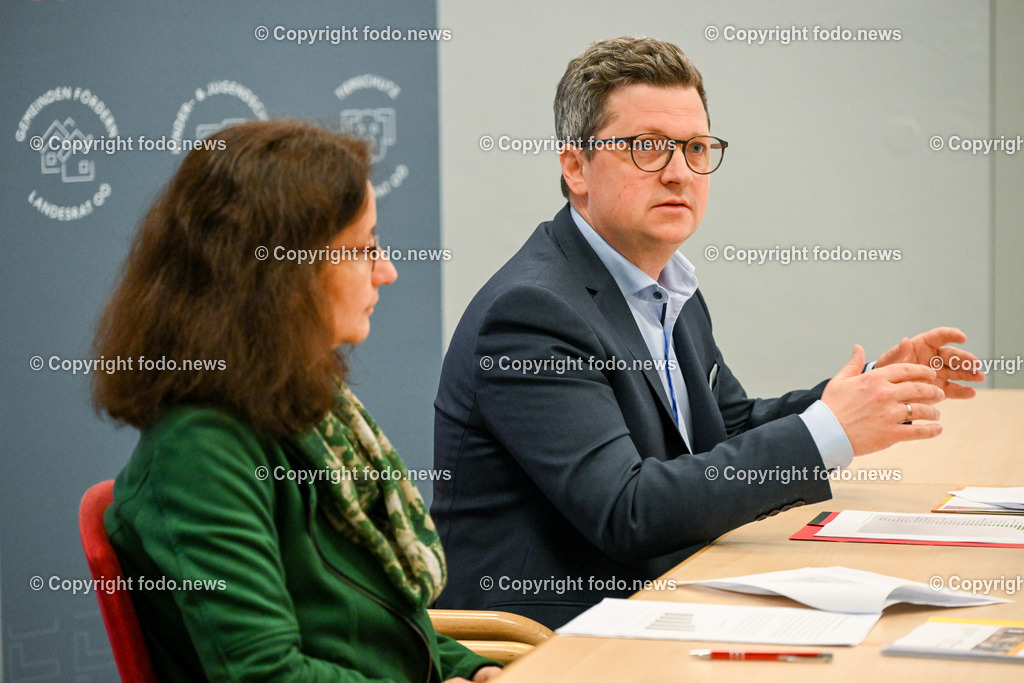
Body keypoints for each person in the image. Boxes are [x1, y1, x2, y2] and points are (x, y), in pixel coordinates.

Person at [431, 36, 985, 629]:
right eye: (648, 147)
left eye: (696, 148)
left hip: (659, 599)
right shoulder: (531, 314)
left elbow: (726, 428)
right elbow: (627, 510)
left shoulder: (668, 283)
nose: (679, 173)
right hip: (551, 640)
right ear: (575, 167)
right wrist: (829, 430)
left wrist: (871, 393)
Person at [93, 120, 502, 681]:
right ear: (283, 274)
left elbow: (379, 625)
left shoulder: (310, 407)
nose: (387, 271)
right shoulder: (201, 451)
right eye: (365, 248)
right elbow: (267, 674)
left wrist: (472, 670)